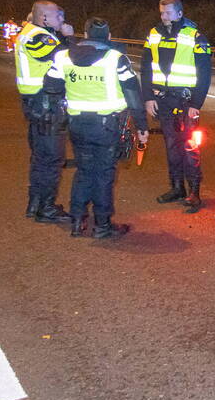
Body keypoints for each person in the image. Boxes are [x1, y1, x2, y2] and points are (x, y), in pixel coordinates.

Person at [44, 18, 149, 239]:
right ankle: (102, 225)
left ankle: (77, 221)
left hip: (77, 125)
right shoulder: (116, 59)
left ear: (85, 33)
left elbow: (51, 86)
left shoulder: (63, 56)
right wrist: (141, 125)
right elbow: (132, 93)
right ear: (109, 37)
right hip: (106, 126)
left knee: (83, 171)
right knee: (103, 175)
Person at [141, 0, 212, 212]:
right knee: (171, 147)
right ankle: (177, 188)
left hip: (186, 100)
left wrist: (196, 103)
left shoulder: (196, 37)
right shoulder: (153, 35)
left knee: (190, 147)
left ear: (180, 13)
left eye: (168, 13)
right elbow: (145, 68)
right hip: (163, 100)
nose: (164, 17)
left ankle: (194, 193)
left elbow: (205, 73)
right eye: (162, 13)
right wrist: (148, 97)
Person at [14, 1, 73, 223]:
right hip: (45, 103)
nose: (62, 21)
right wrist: (67, 37)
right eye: (59, 17)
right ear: (45, 18)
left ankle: (35, 203)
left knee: (40, 157)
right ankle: (46, 208)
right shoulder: (38, 36)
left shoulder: (29, 33)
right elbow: (66, 58)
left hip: (37, 103)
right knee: (51, 159)